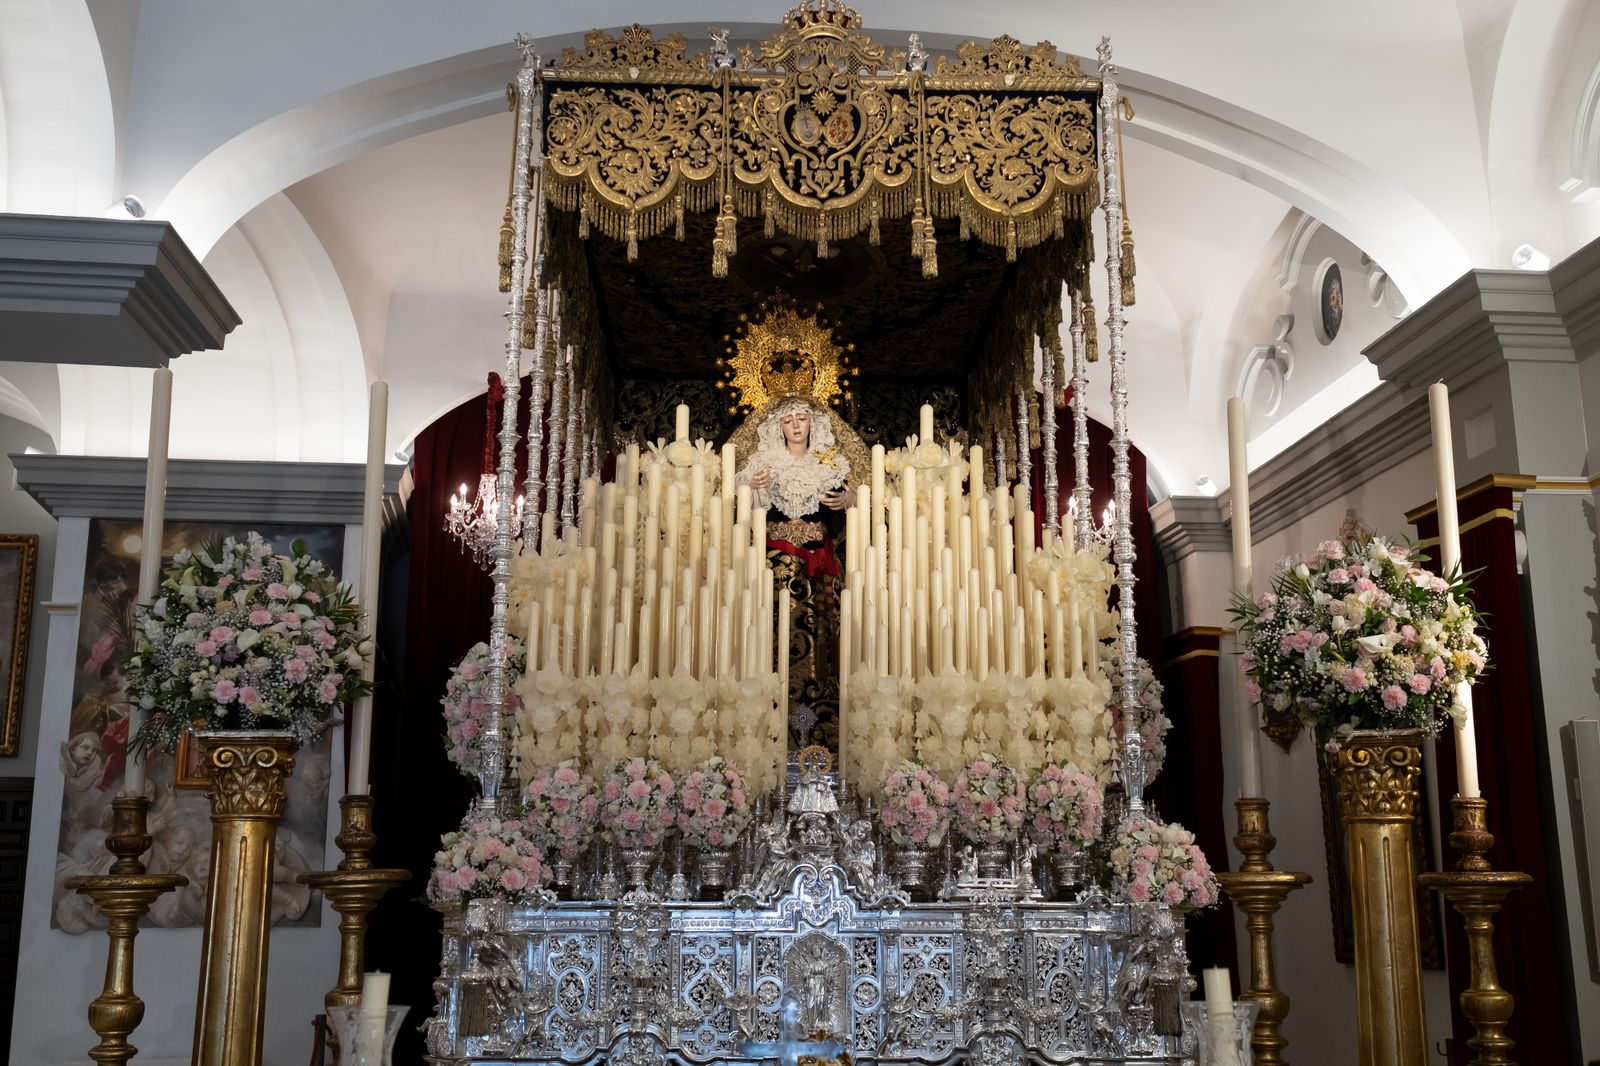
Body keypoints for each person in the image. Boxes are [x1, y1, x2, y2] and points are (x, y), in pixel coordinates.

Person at [737, 398, 857, 757]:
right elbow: (742, 506)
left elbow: (847, 513)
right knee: (774, 634)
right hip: (774, 568)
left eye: (802, 418)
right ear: (779, 427)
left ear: (812, 424)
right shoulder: (763, 465)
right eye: (788, 419)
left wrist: (852, 499)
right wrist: (749, 486)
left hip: (817, 569)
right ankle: (772, 723)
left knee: (822, 637)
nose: (795, 425)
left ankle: (819, 724)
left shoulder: (829, 465)